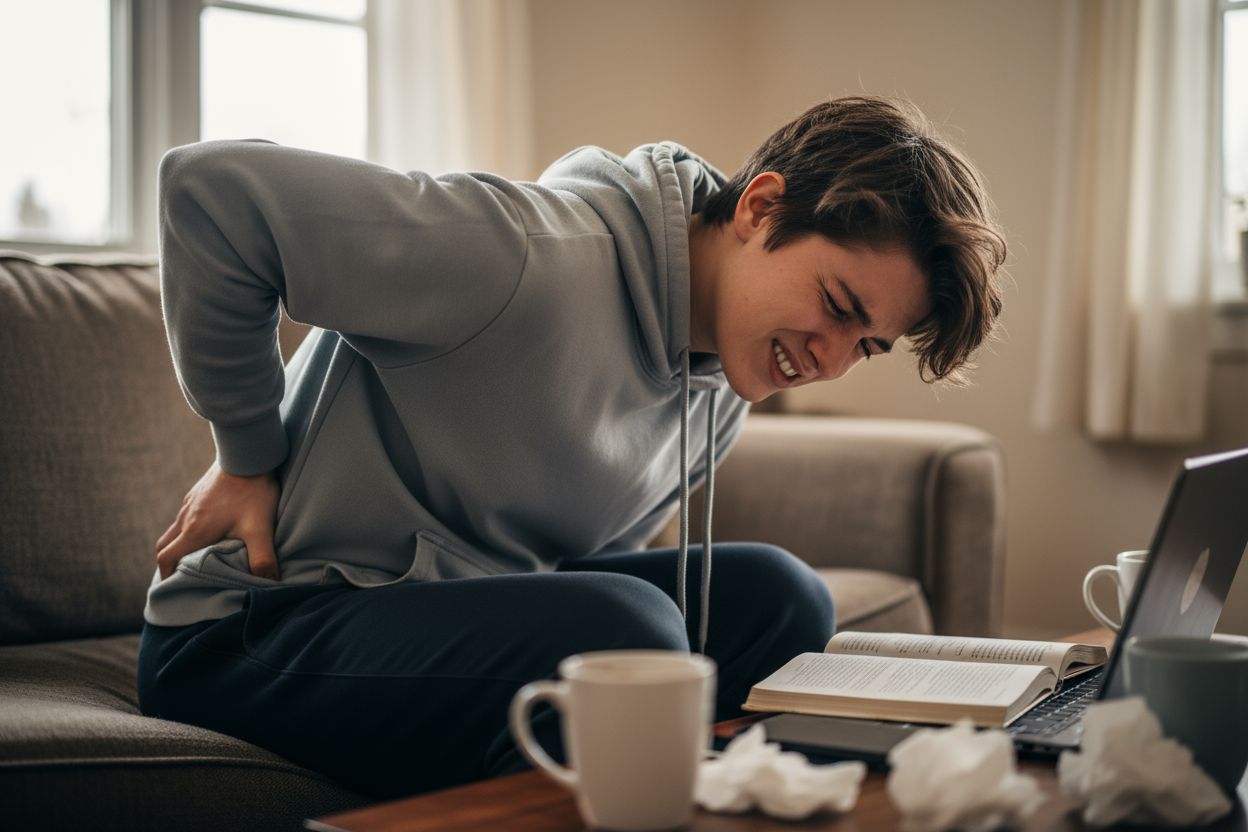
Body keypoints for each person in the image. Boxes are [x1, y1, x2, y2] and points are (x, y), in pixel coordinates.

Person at [138, 95, 1006, 799]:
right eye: (838, 305)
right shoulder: (525, 255)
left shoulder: (725, 385)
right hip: (259, 628)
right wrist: (248, 450)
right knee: (629, 634)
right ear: (761, 206)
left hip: (448, 616)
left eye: (866, 346)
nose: (829, 360)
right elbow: (213, 193)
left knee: (785, 601)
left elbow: (589, 565)